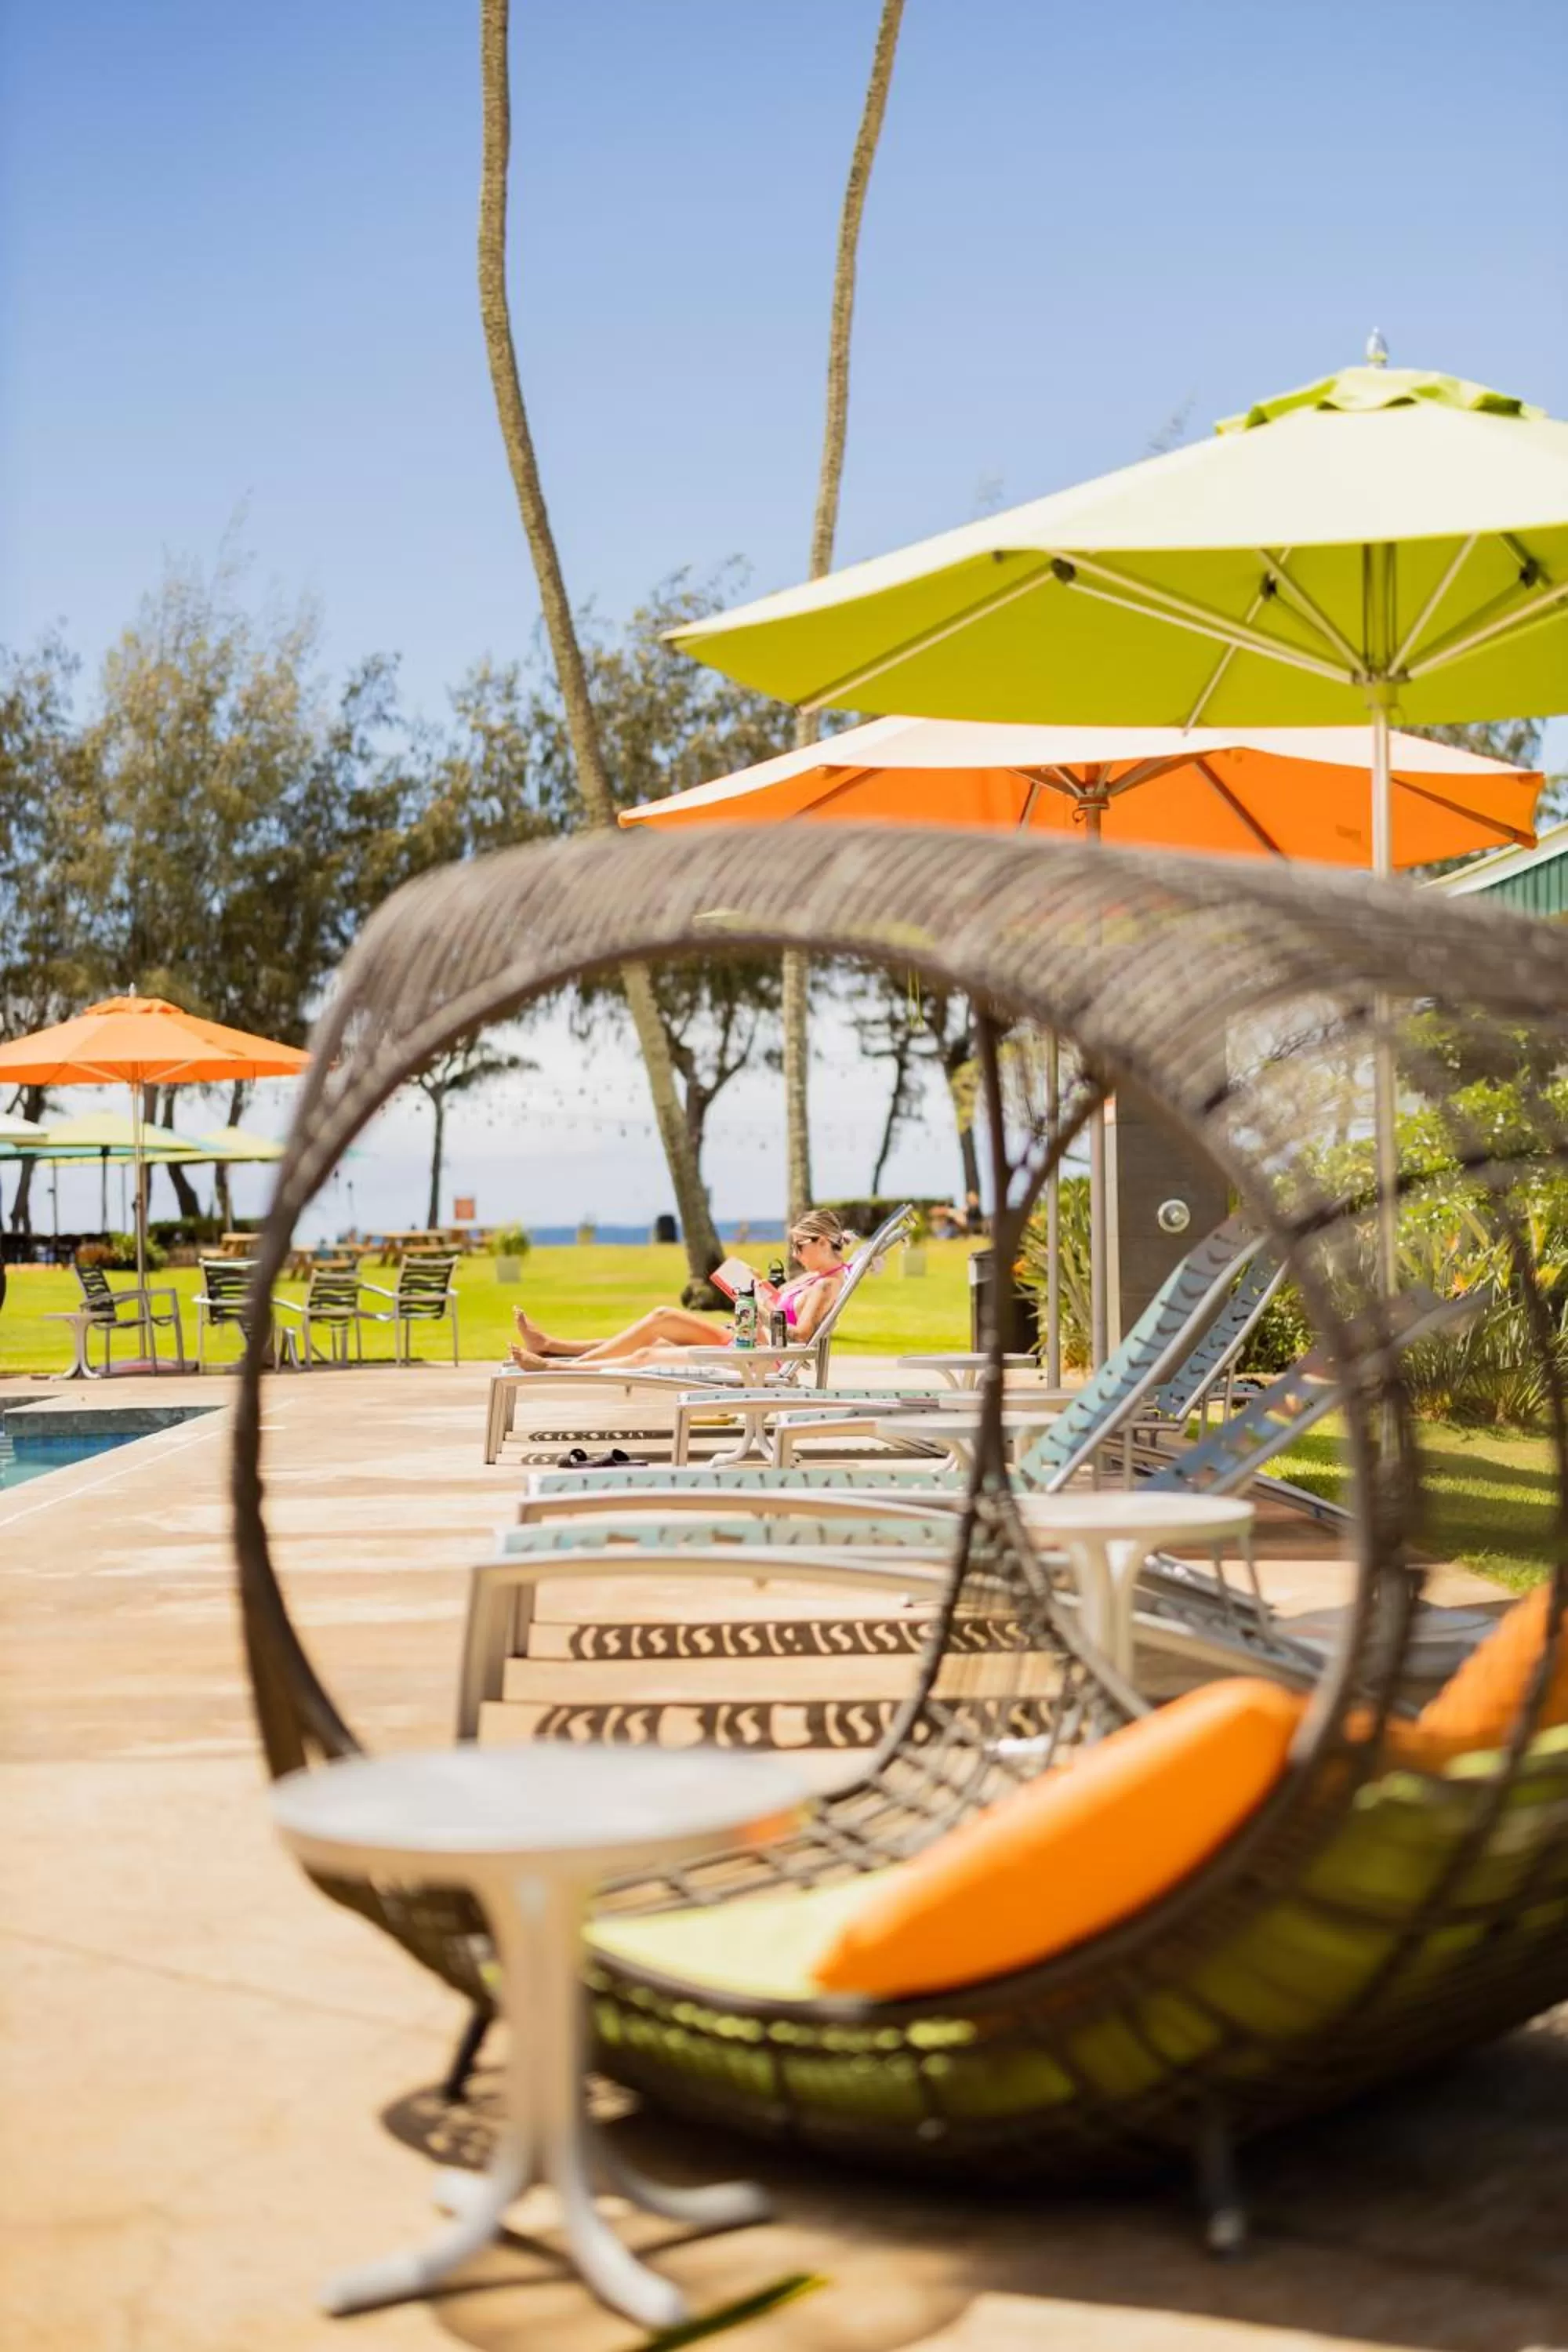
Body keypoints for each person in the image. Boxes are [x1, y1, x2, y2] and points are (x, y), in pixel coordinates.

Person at [506, 1208, 855, 1370]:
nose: (795, 1254)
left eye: (799, 1247)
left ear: (822, 1242)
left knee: (645, 1355)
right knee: (659, 1326)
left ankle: (558, 1368)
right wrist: (757, 1285)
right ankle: (552, 1346)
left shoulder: (826, 1284)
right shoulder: (812, 1277)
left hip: (760, 1358)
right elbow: (780, 1304)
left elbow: (798, 1335)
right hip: (747, 1339)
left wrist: (753, 1302)